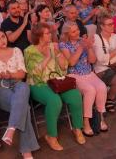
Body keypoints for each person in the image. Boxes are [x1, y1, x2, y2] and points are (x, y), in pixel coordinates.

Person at [24, 22, 85, 151]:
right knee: (54, 100)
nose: (51, 35)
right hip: (39, 84)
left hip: (57, 81)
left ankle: (77, 128)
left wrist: (58, 54)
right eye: (47, 33)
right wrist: (47, 57)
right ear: (39, 36)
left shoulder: (54, 46)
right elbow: (35, 74)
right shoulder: (29, 51)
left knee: (75, 95)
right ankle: (51, 136)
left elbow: (64, 67)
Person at [0, 30, 39, 159]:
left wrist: (11, 75)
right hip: (0, 86)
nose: (2, 40)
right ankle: (26, 150)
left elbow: (22, 74)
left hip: (18, 83)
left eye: (3, 36)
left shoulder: (16, 50)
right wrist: (2, 75)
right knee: (24, 107)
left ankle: (11, 128)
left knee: (24, 86)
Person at [59, 22, 108, 136]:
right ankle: (86, 122)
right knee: (90, 90)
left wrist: (89, 47)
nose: (77, 32)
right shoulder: (63, 45)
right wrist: (81, 47)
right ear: (67, 34)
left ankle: (100, 117)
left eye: (77, 30)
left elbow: (92, 61)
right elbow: (71, 62)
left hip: (89, 73)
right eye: (74, 31)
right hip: (74, 75)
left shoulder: (83, 40)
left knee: (102, 87)